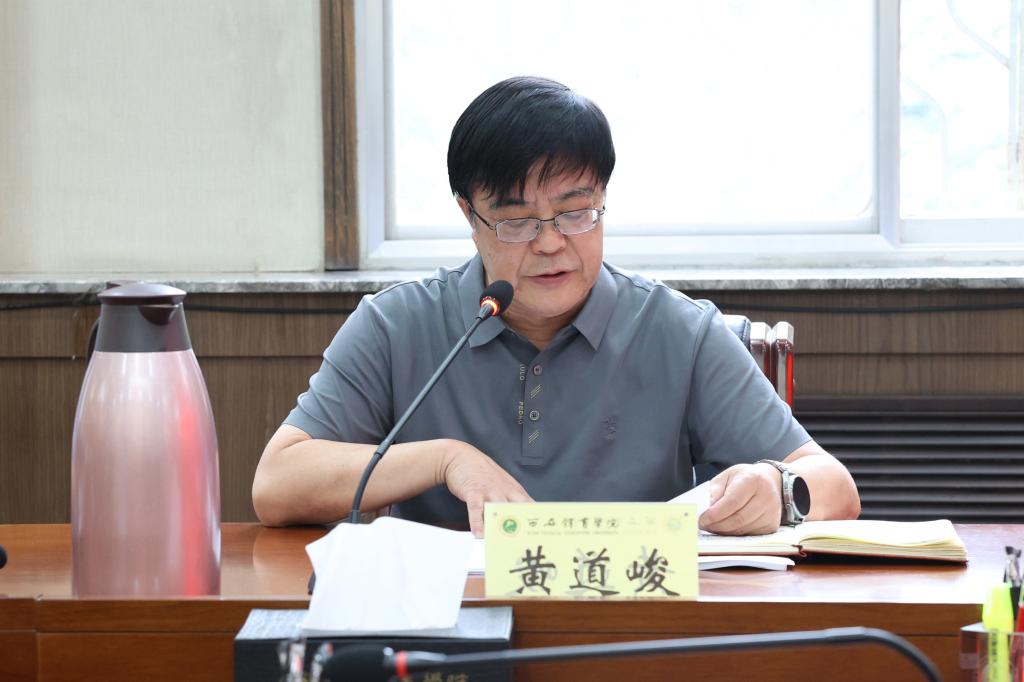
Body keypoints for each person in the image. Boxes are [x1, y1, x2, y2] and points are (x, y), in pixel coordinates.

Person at [252, 76, 860, 537]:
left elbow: (835, 486)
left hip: (632, 631)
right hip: (456, 632)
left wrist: (775, 487)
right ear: (469, 216)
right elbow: (277, 484)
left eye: (575, 212)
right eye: (517, 220)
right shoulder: (396, 326)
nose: (550, 243)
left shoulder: (681, 331)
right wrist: (445, 460)